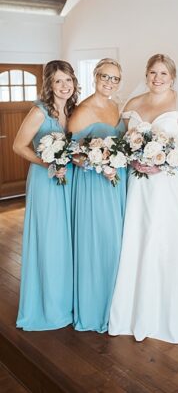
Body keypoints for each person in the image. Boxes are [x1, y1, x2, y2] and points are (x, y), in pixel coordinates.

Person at [108, 54, 178, 343]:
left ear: (172, 77)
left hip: (172, 186)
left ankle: (176, 310)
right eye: (153, 73)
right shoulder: (132, 105)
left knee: (171, 241)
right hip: (140, 186)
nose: (158, 78)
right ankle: (136, 309)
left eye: (163, 74)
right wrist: (134, 161)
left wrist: (163, 160)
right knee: (140, 239)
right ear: (146, 75)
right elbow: (122, 143)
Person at [14, 61, 79, 330]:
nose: (64, 86)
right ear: (49, 85)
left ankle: (66, 300)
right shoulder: (40, 112)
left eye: (68, 80)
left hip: (69, 179)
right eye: (58, 81)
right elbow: (18, 146)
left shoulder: (73, 110)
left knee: (66, 240)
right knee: (49, 241)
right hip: (46, 181)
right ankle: (48, 306)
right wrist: (46, 163)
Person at [68, 59, 126, 333]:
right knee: (100, 242)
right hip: (94, 185)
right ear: (94, 76)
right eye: (105, 76)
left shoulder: (116, 106)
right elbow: (70, 152)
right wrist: (99, 164)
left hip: (118, 183)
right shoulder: (84, 110)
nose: (109, 82)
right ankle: (95, 308)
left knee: (119, 242)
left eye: (115, 78)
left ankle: (119, 305)